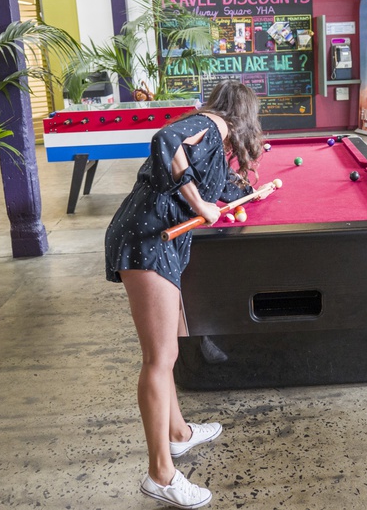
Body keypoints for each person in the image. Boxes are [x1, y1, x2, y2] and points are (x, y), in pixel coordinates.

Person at [104, 80, 271, 509]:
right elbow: (164, 139)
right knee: (158, 360)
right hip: (147, 238)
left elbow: (214, 184)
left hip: (156, 237)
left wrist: (242, 195)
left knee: (169, 352)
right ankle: (160, 474)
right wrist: (200, 204)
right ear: (243, 115)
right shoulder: (212, 124)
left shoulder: (212, 134)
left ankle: (178, 433)